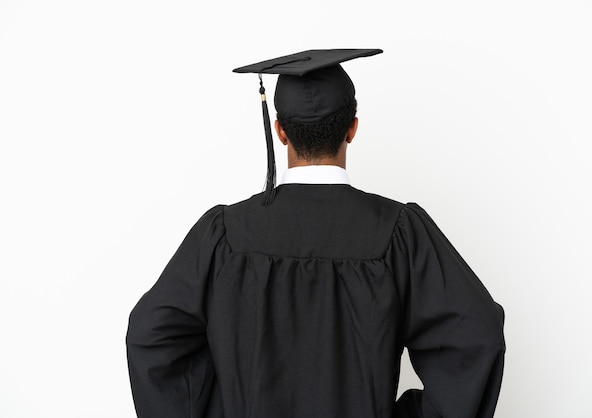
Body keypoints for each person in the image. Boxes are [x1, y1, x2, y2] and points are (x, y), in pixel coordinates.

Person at [126, 49, 505, 418]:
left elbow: (151, 337)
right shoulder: (397, 231)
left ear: (280, 132)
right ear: (353, 129)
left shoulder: (225, 234)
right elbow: (475, 334)